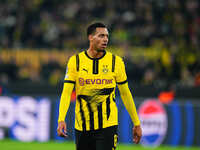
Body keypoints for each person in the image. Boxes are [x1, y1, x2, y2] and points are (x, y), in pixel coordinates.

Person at [57, 22, 142, 150]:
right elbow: (66, 93)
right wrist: (61, 118)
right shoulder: (75, 61)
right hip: (82, 126)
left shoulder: (116, 62)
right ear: (90, 37)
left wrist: (136, 123)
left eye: (107, 36)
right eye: (101, 36)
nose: (105, 39)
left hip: (108, 126)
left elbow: (125, 93)